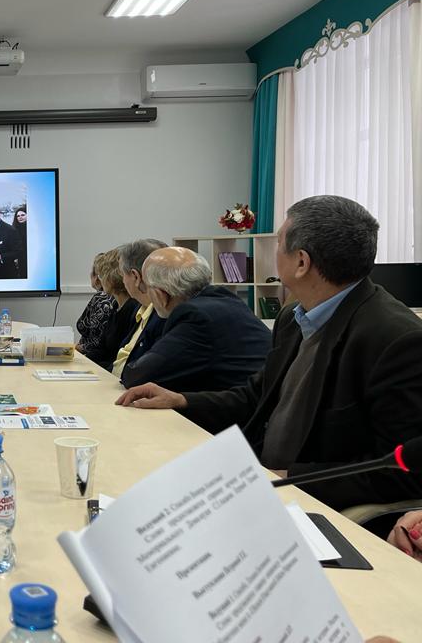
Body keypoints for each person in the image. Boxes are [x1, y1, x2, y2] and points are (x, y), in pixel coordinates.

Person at [117, 196, 422, 510]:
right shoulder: (294, 318)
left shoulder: (396, 339)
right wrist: (181, 400)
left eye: (278, 243)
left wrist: (288, 478)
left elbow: (403, 470)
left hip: (309, 502)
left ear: (301, 263)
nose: (274, 252)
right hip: (257, 477)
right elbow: (256, 398)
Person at [120, 247, 272, 394]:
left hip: (241, 408)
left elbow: (136, 376)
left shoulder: (195, 317)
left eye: (146, 288)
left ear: (161, 295)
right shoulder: (226, 299)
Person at [111, 238, 168, 376]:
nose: (123, 281)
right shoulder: (139, 310)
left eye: (122, 275)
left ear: (136, 277)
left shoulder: (164, 314)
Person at [81, 249, 140, 370]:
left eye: (101, 275)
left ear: (111, 277)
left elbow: (118, 357)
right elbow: (101, 349)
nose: (100, 280)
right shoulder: (116, 307)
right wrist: (82, 363)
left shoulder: (132, 308)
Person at [75, 253, 116, 354]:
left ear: (97, 277)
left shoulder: (101, 298)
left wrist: (71, 348)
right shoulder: (117, 299)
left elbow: (94, 343)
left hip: (93, 357)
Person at [12, 206, 27, 277]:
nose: (20, 217)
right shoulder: (14, 229)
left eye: (22, 215)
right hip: (20, 258)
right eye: (18, 216)